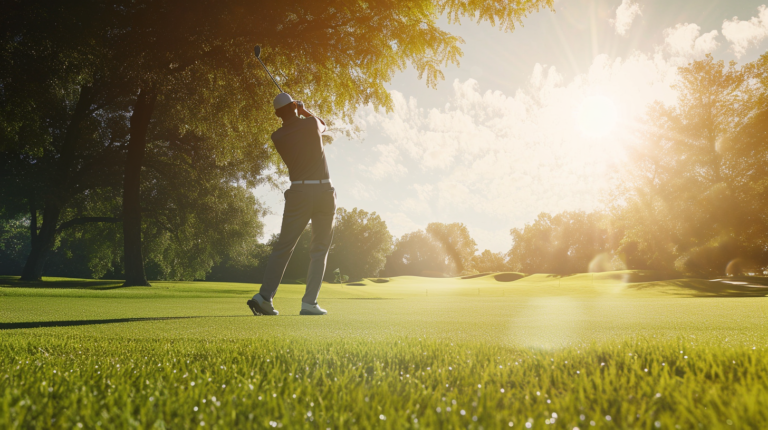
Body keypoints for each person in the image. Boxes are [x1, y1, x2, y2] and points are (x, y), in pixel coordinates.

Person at [247, 93, 335, 316]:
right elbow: (324, 125)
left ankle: (265, 297)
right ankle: (309, 303)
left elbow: (301, 124)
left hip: (298, 192)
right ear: (294, 106)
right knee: (319, 249)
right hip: (323, 190)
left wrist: (296, 110)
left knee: (283, 246)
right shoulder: (312, 123)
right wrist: (304, 110)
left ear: (277, 114)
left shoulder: (277, 136)